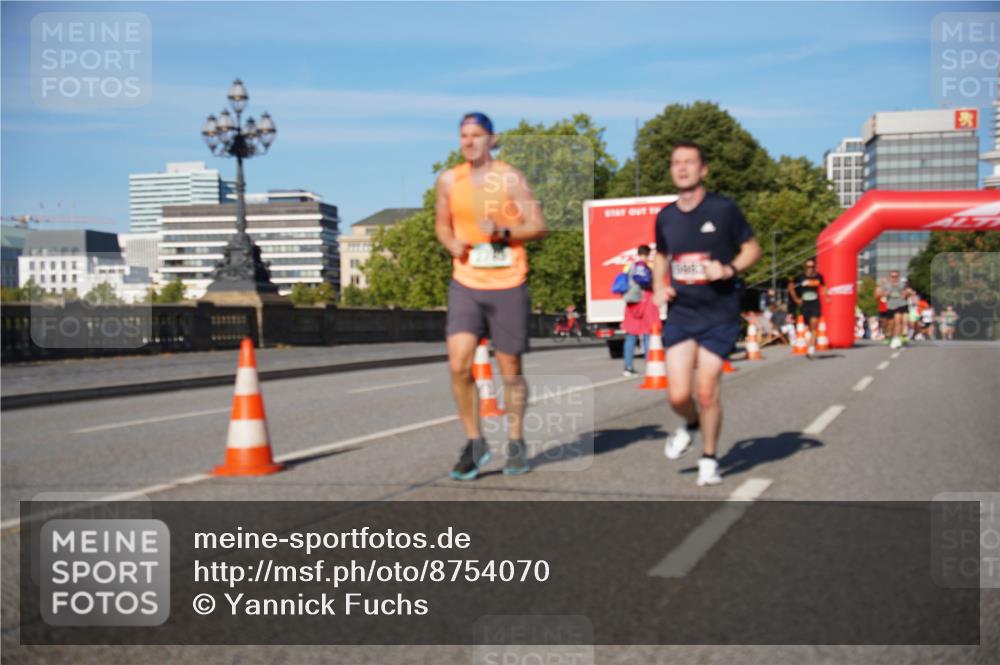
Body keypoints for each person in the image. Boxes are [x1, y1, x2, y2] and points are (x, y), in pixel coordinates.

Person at [435, 112, 548, 480]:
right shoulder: (449, 180)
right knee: (458, 364)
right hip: (466, 282)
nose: (469, 142)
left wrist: (502, 232)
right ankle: (475, 442)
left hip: (507, 283)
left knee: (510, 369)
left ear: (492, 140)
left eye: (477, 135)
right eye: (464, 135)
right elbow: (442, 225)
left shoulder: (510, 177)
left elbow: (538, 226)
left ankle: (515, 441)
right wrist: (451, 243)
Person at [653, 141, 762, 486]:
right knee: (677, 395)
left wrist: (728, 269)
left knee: (706, 391)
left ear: (703, 170)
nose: (682, 168)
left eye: (689, 162)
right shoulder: (665, 217)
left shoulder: (723, 209)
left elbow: (752, 249)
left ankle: (709, 458)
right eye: (676, 162)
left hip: (719, 313)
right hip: (682, 314)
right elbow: (661, 256)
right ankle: (691, 423)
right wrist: (659, 286)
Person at [622, 244, 658, 376]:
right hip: (646, 301)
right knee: (647, 334)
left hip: (632, 303)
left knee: (631, 335)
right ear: (648, 254)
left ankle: (628, 367)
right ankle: (650, 365)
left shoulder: (629, 267)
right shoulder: (646, 267)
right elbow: (648, 282)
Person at [787, 258, 828, 357]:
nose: (810, 269)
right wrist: (796, 299)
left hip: (815, 303)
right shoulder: (800, 277)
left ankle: (811, 347)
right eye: (808, 267)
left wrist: (826, 295)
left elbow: (824, 286)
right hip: (805, 304)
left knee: (814, 324)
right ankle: (812, 339)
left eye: (812, 267)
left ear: (815, 267)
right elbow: (790, 286)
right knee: (808, 325)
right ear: (805, 267)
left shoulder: (819, 276)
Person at [877, 270, 908, 349]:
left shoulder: (901, 284)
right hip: (890, 306)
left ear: (898, 277)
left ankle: (897, 338)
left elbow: (907, 292)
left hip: (901, 304)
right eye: (893, 277)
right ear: (890, 277)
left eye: (896, 276)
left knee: (898, 321)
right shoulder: (887, 285)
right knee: (891, 324)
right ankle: (889, 336)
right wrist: (884, 293)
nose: (894, 278)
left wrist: (905, 294)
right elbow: (878, 294)